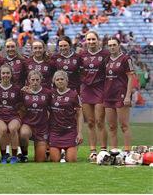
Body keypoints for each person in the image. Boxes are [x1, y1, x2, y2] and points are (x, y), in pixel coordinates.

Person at [79, 31, 108, 161]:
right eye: (88, 39)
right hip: (86, 90)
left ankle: (103, 150)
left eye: (93, 39)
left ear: (98, 40)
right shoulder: (81, 55)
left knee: (99, 121)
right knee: (90, 122)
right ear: (86, 41)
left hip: (100, 90)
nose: (91, 42)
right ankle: (92, 151)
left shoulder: (105, 54)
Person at [104, 38, 134, 153]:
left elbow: (131, 77)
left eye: (114, 45)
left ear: (119, 45)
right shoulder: (107, 60)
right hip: (108, 96)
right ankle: (114, 152)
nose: (112, 47)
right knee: (111, 127)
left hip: (121, 96)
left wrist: (128, 96)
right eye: (110, 45)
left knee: (124, 126)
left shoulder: (126, 59)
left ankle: (127, 152)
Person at [49, 71, 83, 162]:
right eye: (57, 79)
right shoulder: (50, 94)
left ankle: (68, 151)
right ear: (54, 82)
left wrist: (79, 133)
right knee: (54, 160)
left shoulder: (74, 95)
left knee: (71, 160)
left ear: (67, 81)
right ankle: (58, 152)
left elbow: (79, 114)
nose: (60, 81)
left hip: (69, 131)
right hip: (55, 131)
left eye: (62, 79)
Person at [0, 64, 22, 164]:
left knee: (13, 128)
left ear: (11, 74)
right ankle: (4, 155)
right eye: (3, 73)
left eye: (8, 73)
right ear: (0, 74)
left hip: (13, 116)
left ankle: (14, 156)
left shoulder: (17, 89)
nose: (5, 75)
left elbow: (22, 104)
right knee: (3, 129)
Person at [19, 70, 51, 162]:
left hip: (42, 126)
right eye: (32, 79)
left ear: (41, 80)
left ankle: (46, 151)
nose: (35, 82)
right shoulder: (23, 92)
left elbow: (51, 109)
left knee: (40, 160)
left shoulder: (47, 93)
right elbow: (19, 107)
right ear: (28, 80)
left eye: (37, 79)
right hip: (28, 124)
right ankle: (24, 154)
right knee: (24, 133)